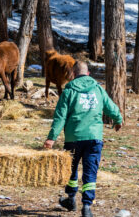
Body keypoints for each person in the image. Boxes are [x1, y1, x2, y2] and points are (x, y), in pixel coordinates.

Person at [43, 61, 122, 217]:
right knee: (90, 171)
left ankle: (71, 199)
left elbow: (60, 117)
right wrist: (118, 119)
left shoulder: (68, 91)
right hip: (94, 138)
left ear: (73, 73)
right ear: (88, 73)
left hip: (73, 138)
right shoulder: (98, 89)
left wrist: (51, 138)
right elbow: (110, 107)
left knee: (70, 170)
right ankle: (86, 207)